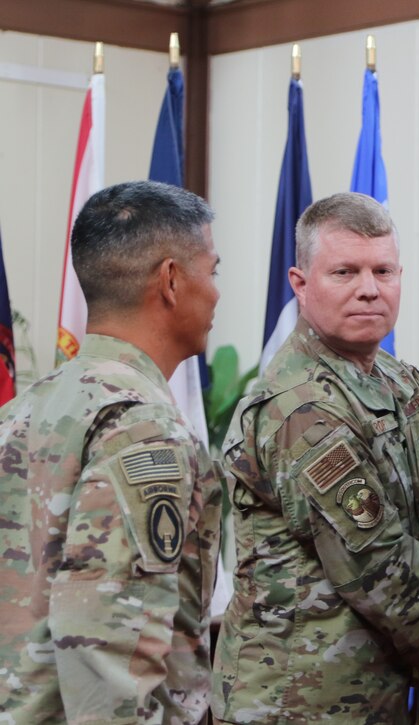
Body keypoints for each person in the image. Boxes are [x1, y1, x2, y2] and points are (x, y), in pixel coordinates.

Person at [212, 192, 419, 724]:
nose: (369, 289)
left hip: (373, 697)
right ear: (301, 284)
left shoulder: (391, 378)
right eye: (344, 272)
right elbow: (388, 579)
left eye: (383, 271)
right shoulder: (300, 408)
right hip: (297, 706)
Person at [0, 180, 223, 723]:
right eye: (212, 270)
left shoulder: (24, 409)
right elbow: (106, 643)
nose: (216, 291)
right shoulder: (141, 425)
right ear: (171, 280)